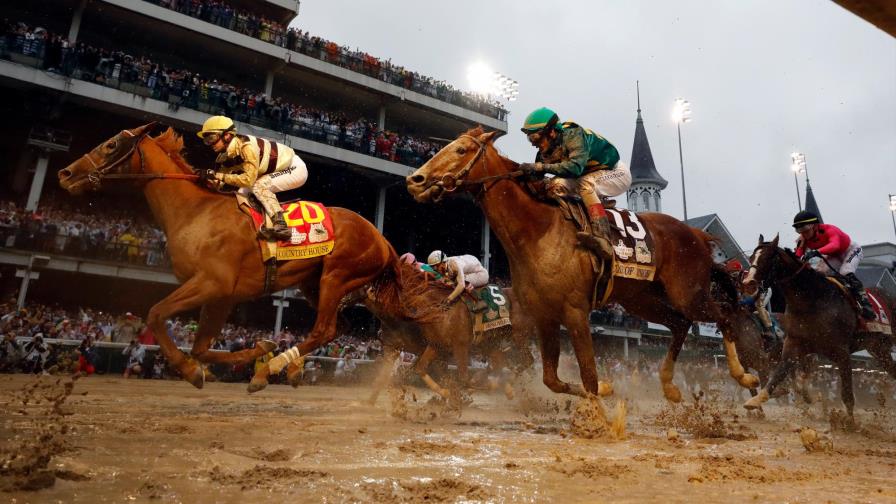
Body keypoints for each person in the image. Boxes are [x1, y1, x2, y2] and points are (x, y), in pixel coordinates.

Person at [518, 107, 632, 260]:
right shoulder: (544, 152)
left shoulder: (573, 134)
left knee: (585, 184)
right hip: (588, 174)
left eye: (535, 138)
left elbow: (575, 168)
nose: (533, 144)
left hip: (615, 172)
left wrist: (540, 167)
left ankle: (603, 238)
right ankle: (585, 210)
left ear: (551, 132)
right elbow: (537, 179)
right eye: (529, 139)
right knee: (553, 185)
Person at [196, 115, 309, 241]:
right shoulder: (223, 157)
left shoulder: (246, 147)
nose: (210, 144)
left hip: (293, 168)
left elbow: (248, 180)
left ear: (227, 135)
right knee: (240, 195)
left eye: (211, 138)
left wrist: (218, 175)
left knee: (258, 186)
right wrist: (203, 178)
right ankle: (254, 227)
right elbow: (217, 183)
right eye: (206, 140)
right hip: (270, 172)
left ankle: (281, 226)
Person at [792, 210, 875, 319]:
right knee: (818, 273)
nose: (803, 234)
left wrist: (817, 252)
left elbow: (835, 245)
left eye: (805, 229)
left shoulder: (830, 229)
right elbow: (797, 257)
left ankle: (866, 304)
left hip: (850, 250)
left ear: (815, 225)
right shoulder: (802, 239)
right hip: (833, 255)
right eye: (800, 230)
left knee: (846, 272)